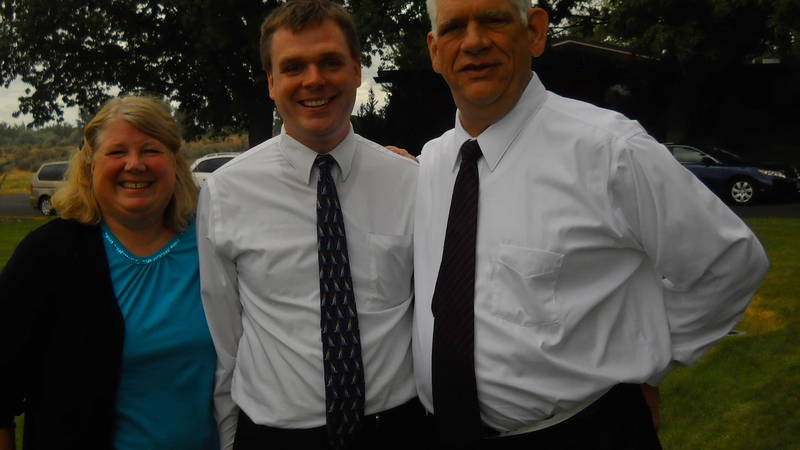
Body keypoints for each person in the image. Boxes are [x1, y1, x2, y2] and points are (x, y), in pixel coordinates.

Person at [412, 0, 770, 449]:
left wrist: (651, 366)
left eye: (494, 20)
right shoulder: (432, 163)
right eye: (453, 29)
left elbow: (730, 263)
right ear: (434, 49)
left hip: (586, 433)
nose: (474, 42)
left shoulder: (611, 151)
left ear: (535, 31)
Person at [196, 1, 422, 449]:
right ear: (271, 82)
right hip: (276, 436)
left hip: (397, 430)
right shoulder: (225, 193)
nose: (314, 79)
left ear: (358, 71)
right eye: (294, 66)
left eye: (331, 62)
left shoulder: (412, 182)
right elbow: (225, 338)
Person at [0, 96, 218, 450]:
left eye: (151, 150)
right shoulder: (50, 255)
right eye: (117, 152)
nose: (135, 165)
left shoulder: (211, 246)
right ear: (90, 167)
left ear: (175, 164)